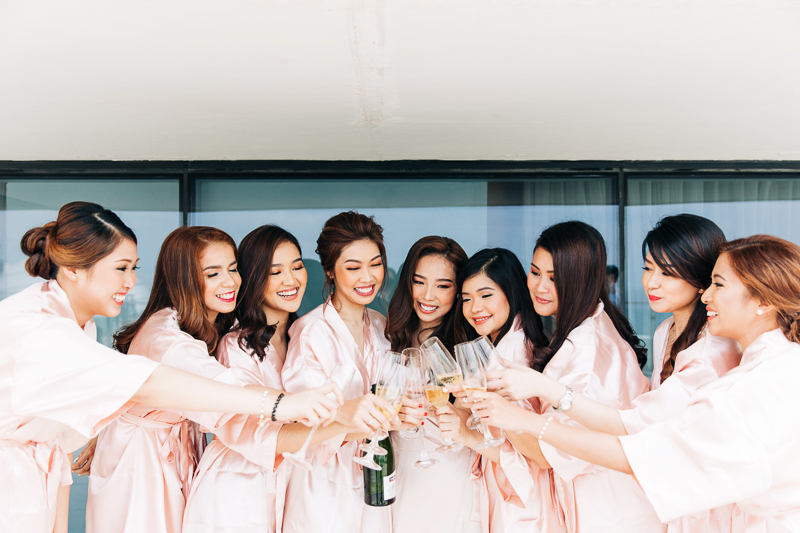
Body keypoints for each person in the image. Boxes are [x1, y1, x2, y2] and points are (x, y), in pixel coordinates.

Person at [0, 202, 341, 533]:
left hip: (84, 472)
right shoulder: (49, 329)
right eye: (120, 268)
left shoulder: (79, 323)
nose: (130, 282)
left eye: (134, 268)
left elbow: (58, 440)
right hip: (129, 469)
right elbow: (152, 384)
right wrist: (282, 404)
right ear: (72, 269)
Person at [471, 235, 800, 532]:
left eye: (718, 284)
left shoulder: (742, 385)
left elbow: (637, 448)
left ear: (764, 302)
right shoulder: (772, 361)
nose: (707, 295)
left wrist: (524, 416)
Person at [85, 225, 344, 533]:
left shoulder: (214, 322)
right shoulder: (166, 338)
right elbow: (221, 390)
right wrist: (291, 405)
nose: (230, 281)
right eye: (213, 274)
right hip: (140, 462)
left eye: (233, 269)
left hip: (179, 454)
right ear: (184, 279)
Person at [183, 225, 392, 533]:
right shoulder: (236, 346)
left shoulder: (298, 334)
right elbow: (260, 436)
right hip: (238, 487)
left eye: (296, 267)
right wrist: (345, 416)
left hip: (286, 486)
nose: (291, 280)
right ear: (254, 278)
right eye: (275, 272)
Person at [471, 221, 661, 533]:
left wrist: (502, 412)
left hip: (607, 511)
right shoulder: (588, 325)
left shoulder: (586, 352)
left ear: (580, 281)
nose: (540, 287)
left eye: (554, 278)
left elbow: (547, 455)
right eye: (535, 273)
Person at [281, 211, 416, 533]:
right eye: (353, 268)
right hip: (324, 482)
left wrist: (402, 413)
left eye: (375, 264)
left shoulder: (383, 327)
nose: (367, 277)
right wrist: (375, 419)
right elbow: (304, 424)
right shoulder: (310, 331)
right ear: (330, 270)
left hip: (378, 474)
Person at [438, 248, 555, 533]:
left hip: (523, 508)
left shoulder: (512, 357)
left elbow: (537, 456)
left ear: (511, 293)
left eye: (485, 295)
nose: (474, 308)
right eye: (467, 299)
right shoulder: (495, 348)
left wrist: (467, 435)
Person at [384, 236, 478, 533]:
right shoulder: (389, 336)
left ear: (458, 291)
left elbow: (472, 418)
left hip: (444, 470)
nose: (428, 295)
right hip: (397, 467)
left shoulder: (466, 345)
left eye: (442, 286)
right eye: (419, 282)